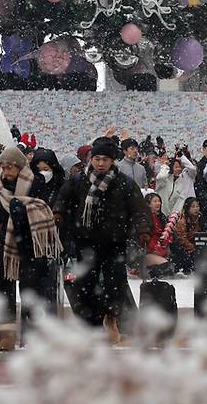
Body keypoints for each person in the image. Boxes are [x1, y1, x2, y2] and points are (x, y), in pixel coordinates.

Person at [54, 136, 151, 344]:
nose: (100, 163)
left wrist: (143, 229)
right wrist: (59, 215)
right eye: (97, 158)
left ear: (113, 161)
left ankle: (111, 319)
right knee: (85, 284)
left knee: (114, 283)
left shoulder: (124, 183)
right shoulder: (79, 180)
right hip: (84, 241)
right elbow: (63, 200)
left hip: (114, 242)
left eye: (105, 159)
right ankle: (91, 324)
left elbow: (139, 209)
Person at [0, 144, 61, 348]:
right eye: (3, 168)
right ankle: (7, 334)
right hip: (8, 246)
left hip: (33, 245)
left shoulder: (36, 183)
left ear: (20, 166)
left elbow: (41, 209)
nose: (6, 172)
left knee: (31, 289)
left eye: (10, 167)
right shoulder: (4, 189)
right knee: (2, 287)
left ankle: (35, 334)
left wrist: (21, 210)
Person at [156, 149, 197, 217]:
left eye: (180, 167)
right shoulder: (165, 178)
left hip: (173, 216)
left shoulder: (182, 179)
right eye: (176, 167)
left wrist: (182, 157)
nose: (178, 169)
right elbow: (160, 177)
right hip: (161, 213)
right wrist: (165, 166)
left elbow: (192, 169)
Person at [172, 197, 204, 274]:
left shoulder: (200, 218)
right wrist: (193, 248)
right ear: (187, 208)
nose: (196, 209)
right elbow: (182, 239)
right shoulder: (182, 221)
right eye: (193, 207)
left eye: (197, 206)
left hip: (195, 243)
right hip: (181, 247)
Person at [145, 191, 170, 270]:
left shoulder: (162, 217)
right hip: (149, 251)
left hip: (161, 248)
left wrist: (166, 245)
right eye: (155, 201)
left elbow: (166, 234)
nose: (158, 203)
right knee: (166, 267)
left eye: (159, 201)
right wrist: (156, 249)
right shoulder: (145, 218)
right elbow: (146, 238)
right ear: (148, 204)